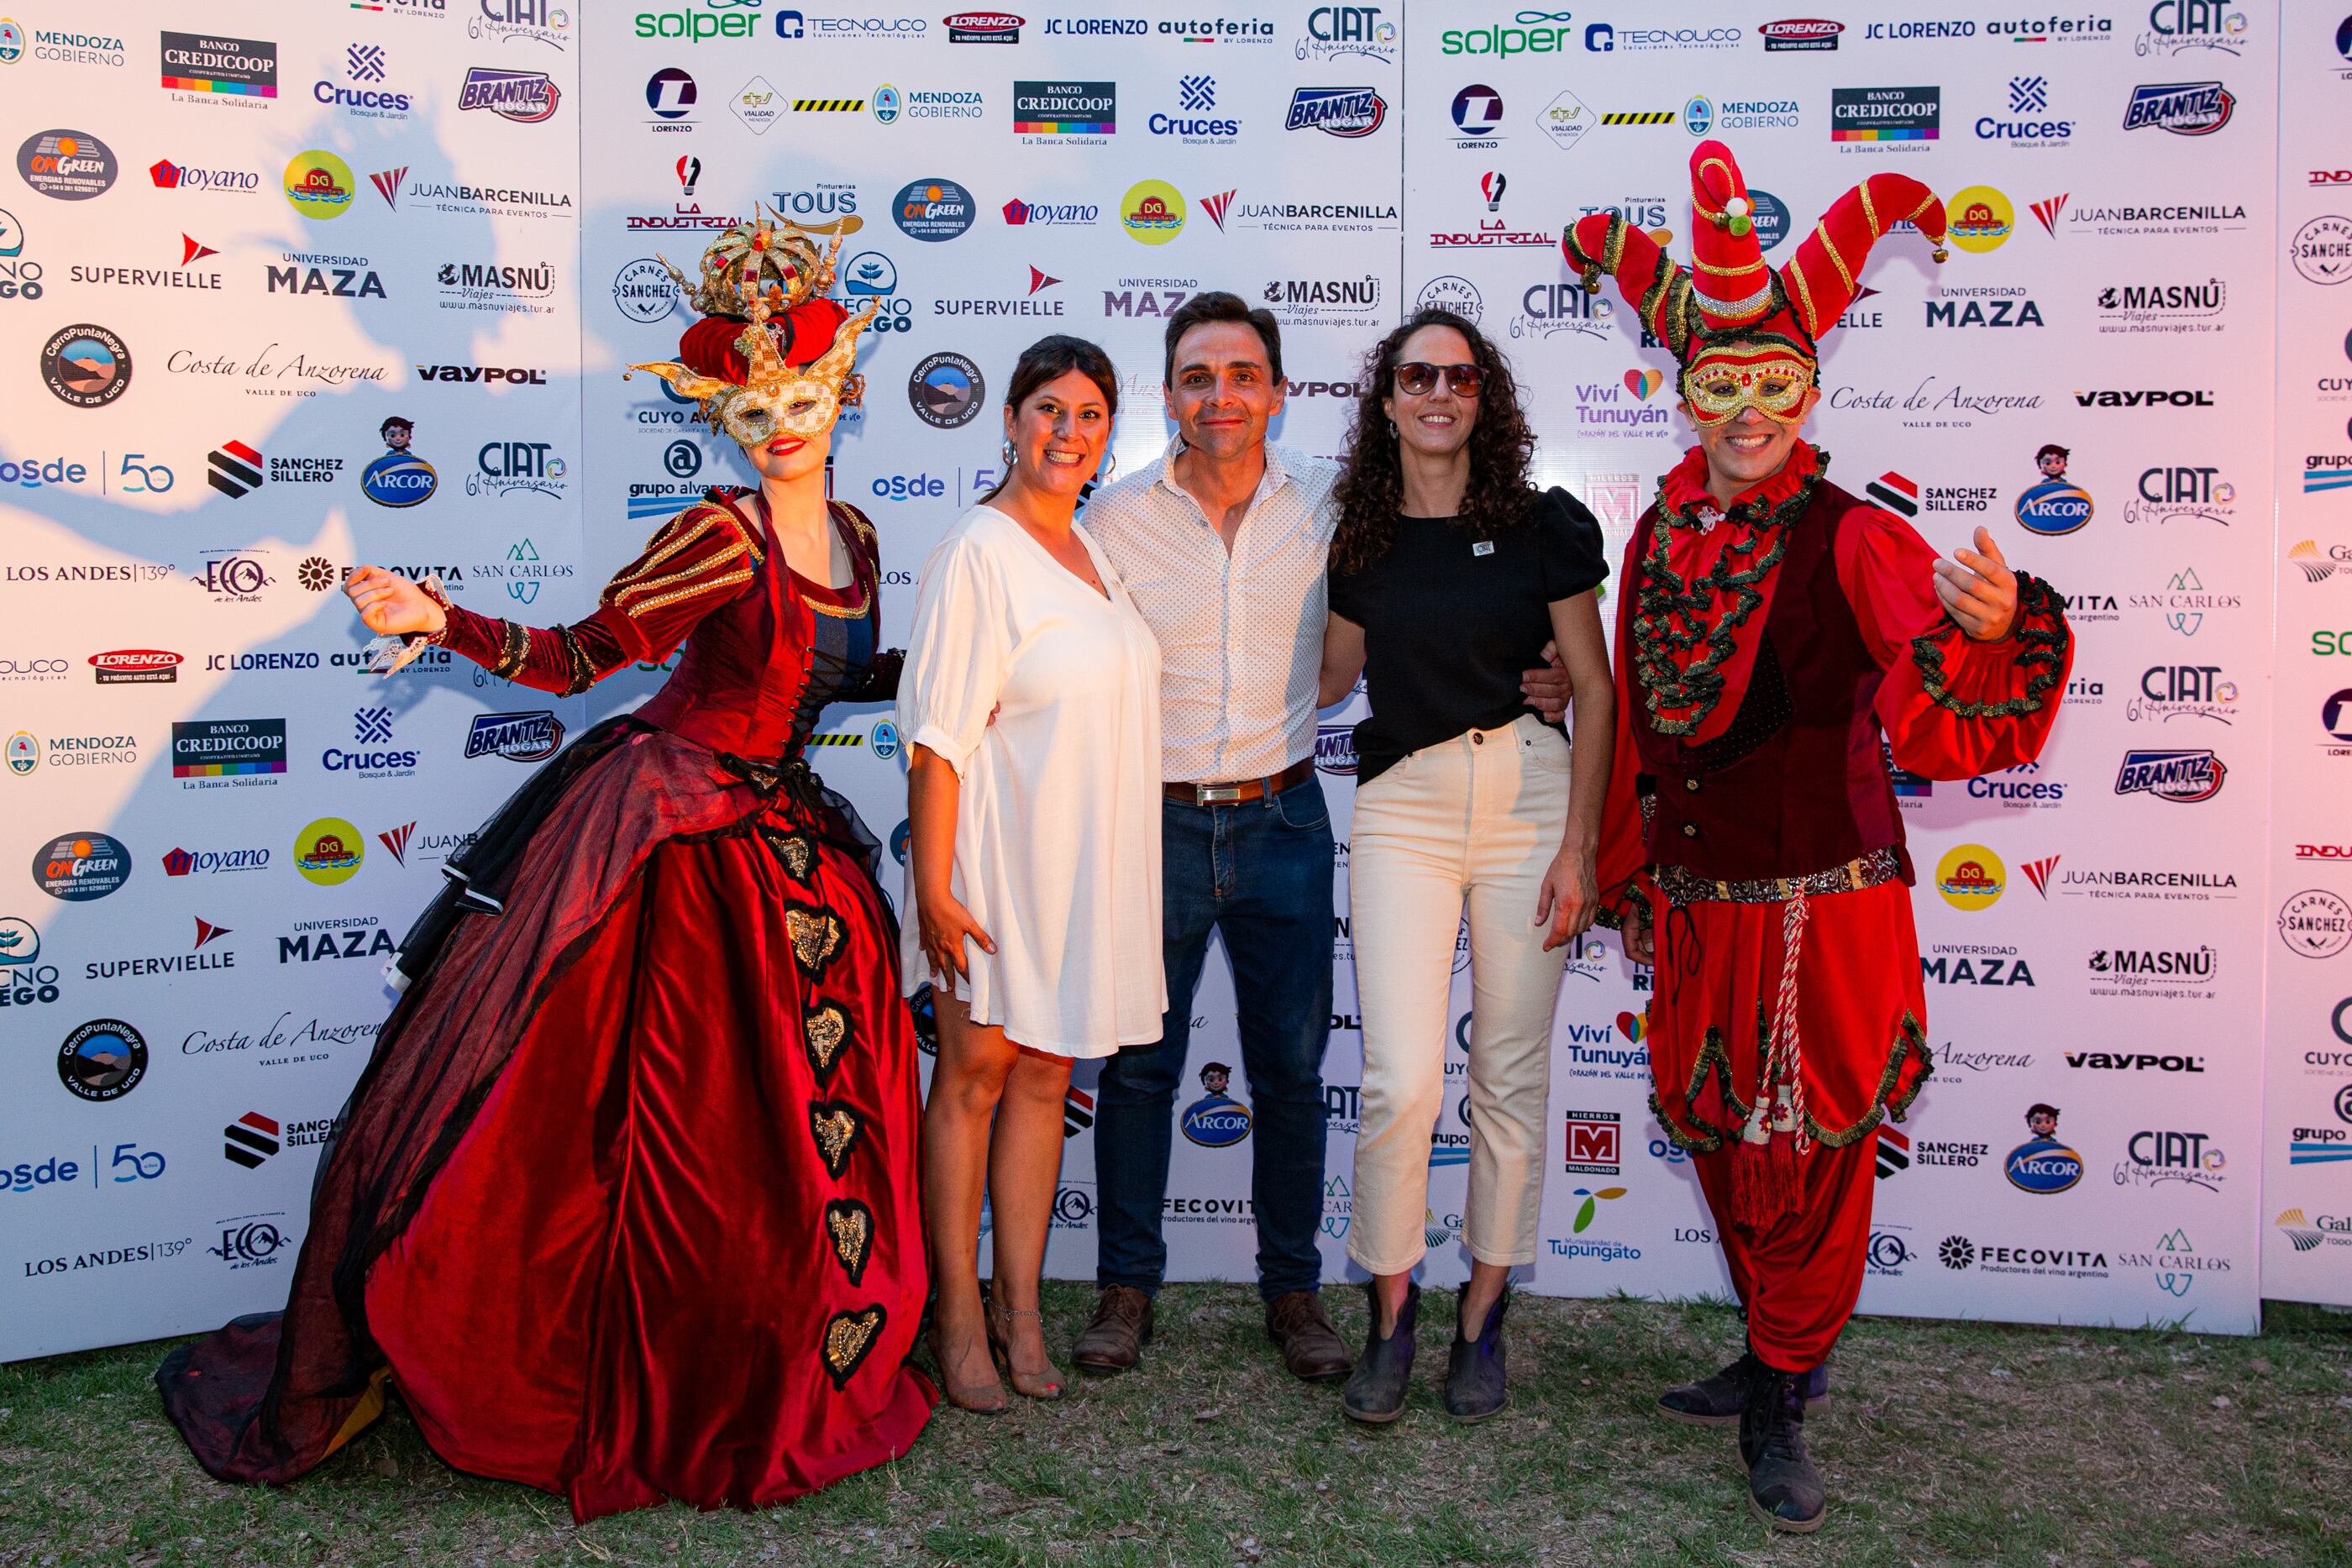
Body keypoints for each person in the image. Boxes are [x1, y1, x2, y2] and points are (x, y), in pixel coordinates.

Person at [156, 212, 936, 1521]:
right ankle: (613, 1364)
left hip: (788, 831)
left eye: (802, 395)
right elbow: (587, 655)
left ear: (843, 392)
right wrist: (440, 616)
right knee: (636, 1129)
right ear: (724, 416)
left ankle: (775, 1349)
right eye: (753, 406)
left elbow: (828, 675)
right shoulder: (720, 533)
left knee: (787, 1139)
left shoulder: (856, 534)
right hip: (678, 838)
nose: (780, 423)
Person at [1564, 141, 2073, 1530]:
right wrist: (1623, 864)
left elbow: (1944, 708)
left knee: (1810, 1144)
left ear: (1809, 390)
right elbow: (1644, 712)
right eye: (1717, 384)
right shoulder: (1662, 528)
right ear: (1684, 391)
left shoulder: (1855, 537)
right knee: (1724, 1139)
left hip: (1819, 912)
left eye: (1769, 385)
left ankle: (1790, 1382)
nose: (1742, 411)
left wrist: (1999, 628)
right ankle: (1773, 1341)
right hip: (1697, 902)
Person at [1077, 291, 1580, 1382]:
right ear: (1168, 394)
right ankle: (1126, 1285)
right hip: (1154, 818)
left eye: (1243, 373)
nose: (1222, 396)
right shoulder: (1109, 518)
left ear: (1278, 389)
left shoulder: (1340, 501)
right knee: (1138, 1068)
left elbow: (1448, 589)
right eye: (1199, 376)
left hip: (1288, 816)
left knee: (1295, 1072)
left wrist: (1538, 677)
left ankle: (1294, 1292)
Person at [1316, 308, 1614, 1424]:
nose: (1439, 390)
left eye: (1460, 375)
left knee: (1510, 1077)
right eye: (1416, 374)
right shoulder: (1357, 536)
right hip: (1404, 807)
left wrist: (1580, 846)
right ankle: (1391, 1317)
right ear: (1384, 398)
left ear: (1483, 398)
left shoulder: (1544, 525)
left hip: (1534, 801)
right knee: (1399, 1080)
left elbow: (1592, 684)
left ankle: (1481, 1318)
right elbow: (1330, 674)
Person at [899, 334, 1164, 1412]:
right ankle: (954, 1319)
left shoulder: (1094, 551)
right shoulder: (980, 549)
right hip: (996, 865)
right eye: (1047, 408)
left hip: (1081, 871)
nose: (1067, 431)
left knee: (1049, 1082)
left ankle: (1021, 1312)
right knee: (969, 1082)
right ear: (1009, 421)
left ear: (1108, 433)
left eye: (1090, 413)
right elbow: (937, 739)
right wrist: (933, 889)